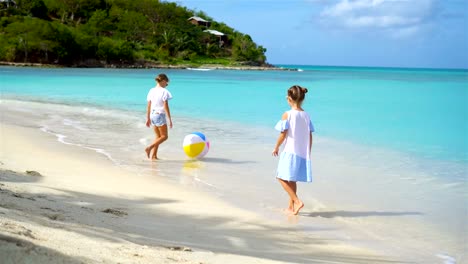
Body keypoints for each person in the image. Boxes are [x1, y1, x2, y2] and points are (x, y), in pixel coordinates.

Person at [272, 85, 315, 215]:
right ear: (302, 98)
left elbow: (283, 134)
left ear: (289, 98)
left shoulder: (288, 114)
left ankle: (297, 201)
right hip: (302, 152)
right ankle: (291, 207)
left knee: (280, 177)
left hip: (290, 151)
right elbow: (310, 135)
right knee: (292, 180)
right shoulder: (306, 115)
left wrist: (276, 147)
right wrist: (308, 151)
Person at [145, 73, 173, 160]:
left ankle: (154, 156)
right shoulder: (164, 91)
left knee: (158, 137)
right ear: (163, 81)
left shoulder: (151, 90)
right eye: (166, 83)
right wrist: (170, 119)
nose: (166, 85)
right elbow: (165, 106)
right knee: (164, 136)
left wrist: (148, 118)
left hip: (152, 115)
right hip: (159, 115)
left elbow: (149, 105)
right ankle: (149, 148)